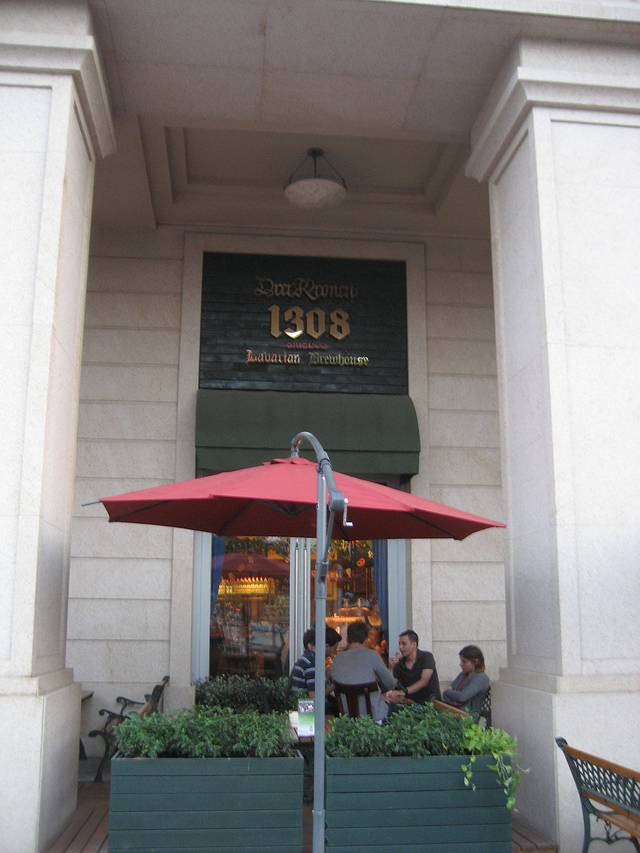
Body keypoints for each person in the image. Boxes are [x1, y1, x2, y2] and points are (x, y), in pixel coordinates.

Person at [329, 620, 396, 721]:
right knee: (399, 708)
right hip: (374, 717)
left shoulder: (337, 660)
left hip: (348, 717)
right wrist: (391, 669)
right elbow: (390, 684)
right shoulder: (372, 656)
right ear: (366, 639)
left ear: (347, 638)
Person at [384, 629, 441, 707]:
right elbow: (392, 685)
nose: (400, 647)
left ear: (414, 644)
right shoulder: (400, 663)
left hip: (430, 703)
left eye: (404, 644)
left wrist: (403, 692)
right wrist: (391, 668)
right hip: (410, 703)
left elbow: (424, 681)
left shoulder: (426, 657)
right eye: (399, 644)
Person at [290, 626, 341, 698]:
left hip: (298, 702)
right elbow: (314, 697)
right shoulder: (312, 663)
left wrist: (326, 676)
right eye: (334, 648)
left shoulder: (307, 658)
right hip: (304, 704)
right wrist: (335, 684)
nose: (335, 652)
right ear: (326, 646)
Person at [442, 645, 490, 715]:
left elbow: (462, 697)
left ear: (475, 661)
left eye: (464, 661)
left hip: (469, 716)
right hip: (454, 710)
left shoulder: (481, 678)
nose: (460, 664)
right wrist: (450, 693)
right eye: (461, 661)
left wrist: (446, 692)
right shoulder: (463, 674)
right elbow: (452, 689)